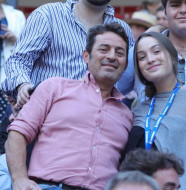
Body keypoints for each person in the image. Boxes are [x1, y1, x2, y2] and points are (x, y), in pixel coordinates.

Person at [5, 23, 133, 190]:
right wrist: (20, 179)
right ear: (86, 56)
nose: (112, 56)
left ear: (125, 65)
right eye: (104, 49)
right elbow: (17, 134)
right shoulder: (55, 88)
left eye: (120, 52)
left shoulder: (127, 115)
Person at [1, 0, 134, 109]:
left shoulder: (122, 31)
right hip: (44, 120)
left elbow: (127, 79)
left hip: (98, 125)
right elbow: (18, 61)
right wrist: (23, 87)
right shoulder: (47, 16)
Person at [126, 31, 186, 190]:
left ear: (171, 56)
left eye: (156, 51)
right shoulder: (138, 111)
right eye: (142, 57)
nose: (150, 59)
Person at [0, 0, 25, 147]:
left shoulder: (16, 16)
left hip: (6, 81)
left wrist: (14, 38)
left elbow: (28, 49)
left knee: (7, 127)